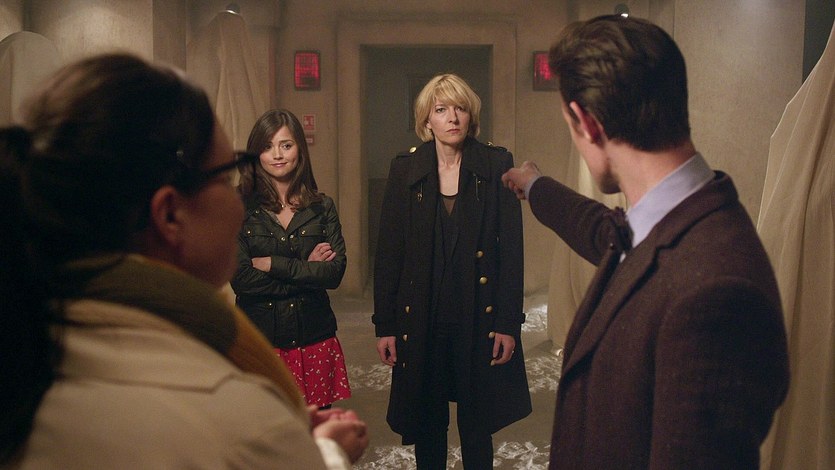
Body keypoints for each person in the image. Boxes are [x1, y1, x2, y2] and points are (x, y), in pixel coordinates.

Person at [0, 53, 367, 469]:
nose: (238, 200)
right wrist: (325, 454)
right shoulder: (230, 411)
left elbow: (332, 271)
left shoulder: (37, 341)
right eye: (226, 176)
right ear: (170, 215)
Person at [501, 15, 790, 469]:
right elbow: (606, 232)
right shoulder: (678, 219)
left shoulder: (717, 295)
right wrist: (536, 185)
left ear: (587, 123)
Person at [373, 73, 531, 469]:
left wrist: (508, 323)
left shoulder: (496, 164)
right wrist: (385, 325)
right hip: (423, 317)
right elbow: (389, 254)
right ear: (427, 120)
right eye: (441, 109)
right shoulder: (406, 168)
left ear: (471, 115)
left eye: (460, 108)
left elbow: (511, 253)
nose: (452, 118)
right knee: (428, 423)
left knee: (477, 425)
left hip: (478, 316)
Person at [231, 109, 351, 410]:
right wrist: (308, 270)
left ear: (299, 149)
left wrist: (274, 264)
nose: (277, 155)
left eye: (286, 145)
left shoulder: (321, 207)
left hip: (314, 337)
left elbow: (334, 273)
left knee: (317, 432)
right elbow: (242, 280)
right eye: (267, 146)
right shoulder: (238, 206)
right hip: (261, 342)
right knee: (267, 431)